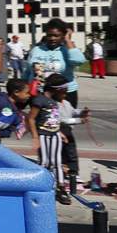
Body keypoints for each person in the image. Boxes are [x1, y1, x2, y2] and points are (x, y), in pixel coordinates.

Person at [27, 73, 72, 205]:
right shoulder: (39, 100)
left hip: (55, 134)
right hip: (43, 134)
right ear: (57, 89)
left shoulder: (54, 102)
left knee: (57, 162)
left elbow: (54, 119)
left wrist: (60, 133)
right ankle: (39, 185)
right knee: (45, 162)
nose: (65, 95)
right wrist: (35, 136)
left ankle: (61, 187)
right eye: (64, 92)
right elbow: (31, 118)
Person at [25, 18, 85, 107]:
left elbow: (79, 61)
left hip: (64, 94)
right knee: (41, 120)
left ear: (63, 36)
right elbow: (28, 72)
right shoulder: (36, 50)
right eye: (49, 35)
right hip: (40, 94)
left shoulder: (66, 50)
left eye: (56, 35)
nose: (52, 38)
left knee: (64, 120)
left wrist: (68, 40)